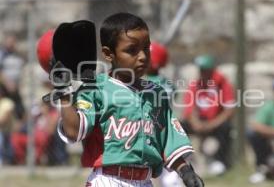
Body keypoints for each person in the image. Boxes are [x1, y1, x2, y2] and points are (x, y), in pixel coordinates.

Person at [43, 13, 204, 187]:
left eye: (146, 48)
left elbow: (168, 141)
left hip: (145, 181)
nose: (142, 56)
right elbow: (73, 132)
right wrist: (64, 92)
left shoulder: (156, 93)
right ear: (108, 54)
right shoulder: (96, 89)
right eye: (131, 50)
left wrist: (185, 171)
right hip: (108, 180)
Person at [182, 55, 235, 176]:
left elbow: (229, 110)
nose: (202, 73)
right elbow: (189, 108)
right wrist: (195, 123)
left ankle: (220, 161)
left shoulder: (222, 83)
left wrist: (211, 124)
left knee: (226, 127)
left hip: (216, 121)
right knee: (180, 126)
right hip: (200, 121)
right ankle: (185, 159)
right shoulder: (196, 84)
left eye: (205, 70)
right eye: (201, 70)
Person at [145, 42, 182, 187]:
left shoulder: (143, 83)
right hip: (166, 131)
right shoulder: (167, 83)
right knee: (170, 171)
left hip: (148, 131)